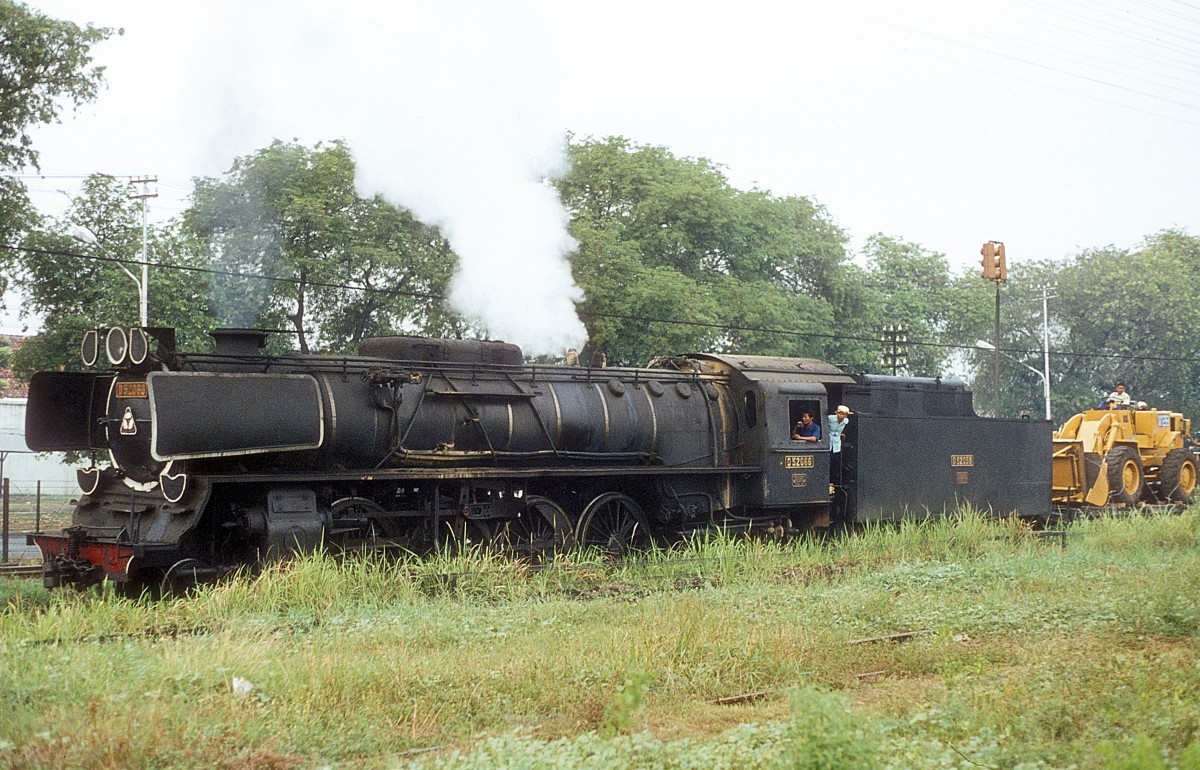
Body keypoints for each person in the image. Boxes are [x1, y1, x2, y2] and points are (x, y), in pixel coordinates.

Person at [827, 404, 852, 483]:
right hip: (828, 441)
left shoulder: (846, 421)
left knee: (835, 462)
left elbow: (844, 430)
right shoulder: (830, 418)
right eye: (839, 413)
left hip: (837, 444)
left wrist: (842, 434)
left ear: (846, 415)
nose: (840, 415)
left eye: (843, 414)